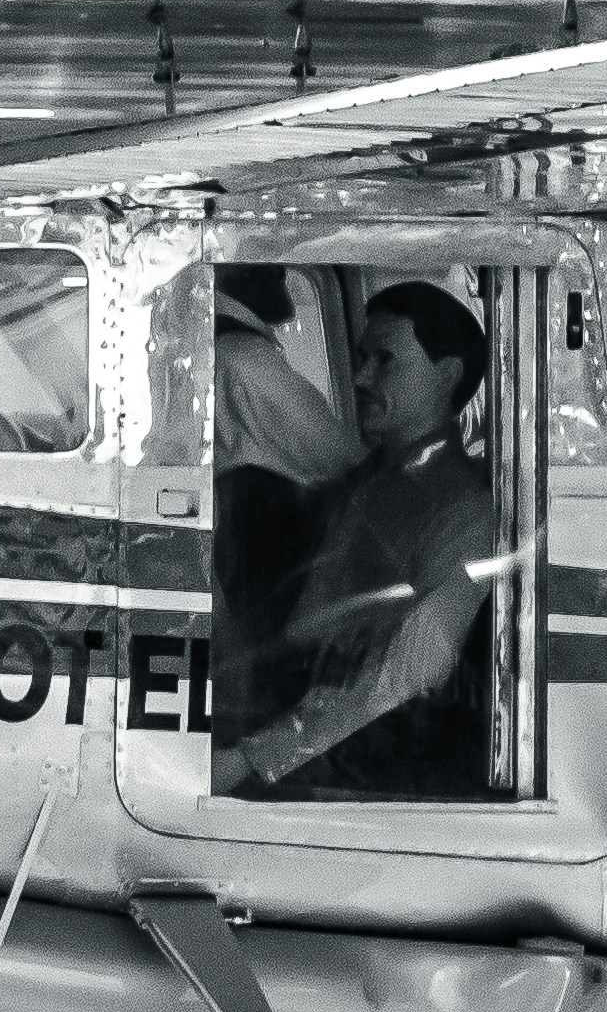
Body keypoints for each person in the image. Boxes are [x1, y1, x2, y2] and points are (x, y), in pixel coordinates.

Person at [222, 281, 503, 797]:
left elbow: (399, 680)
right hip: (300, 737)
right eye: (359, 357)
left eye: (384, 360)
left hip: (366, 769)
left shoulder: (465, 511)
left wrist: (250, 760)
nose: (359, 377)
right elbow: (301, 629)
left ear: (448, 376)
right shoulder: (356, 487)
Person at [208, 266, 361, 741]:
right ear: (239, 273)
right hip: (270, 573)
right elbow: (344, 463)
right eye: (272, 268)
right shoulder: (246, 361)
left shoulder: (230, 353)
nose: (285, 282)